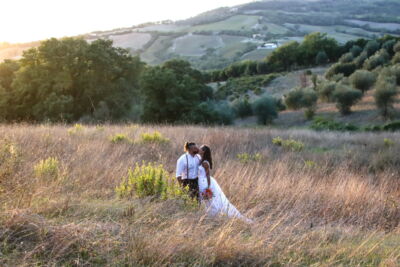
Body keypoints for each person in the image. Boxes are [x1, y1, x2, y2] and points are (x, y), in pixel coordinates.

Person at [197, 145, 251, 222]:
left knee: (212, 200)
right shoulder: (200, 159)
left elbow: (208, 175)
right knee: (206, 200)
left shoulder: (205, 162)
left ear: (204, 151)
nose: (199, 149)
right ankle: (208, 215)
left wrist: (208, 187)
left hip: (206, 182)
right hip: (201, 181)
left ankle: (216, 215)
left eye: (201, 148)